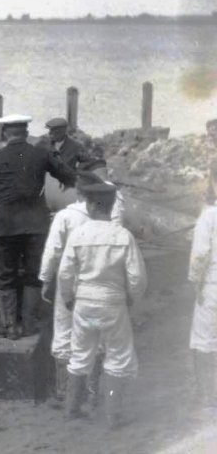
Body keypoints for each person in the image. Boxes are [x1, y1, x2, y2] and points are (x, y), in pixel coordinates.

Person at [0, 114, 76, 340]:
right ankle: (29, 323)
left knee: (6, 275)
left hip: (6, 225)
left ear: (6, 133)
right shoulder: (41, 153)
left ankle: (10, 326)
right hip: (36, 225)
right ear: (26, 132)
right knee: (33, 274)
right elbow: (69, 177)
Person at [58, 183, 147, 428]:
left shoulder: (79, 234)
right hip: (113, 302)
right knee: (118, 356)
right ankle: (112, 414)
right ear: (109, 206)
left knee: (80, 355)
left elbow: (65, 273)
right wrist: (131, 299)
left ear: (91, 205)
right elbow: (137, 277)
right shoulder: (122, 236)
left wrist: (67, 297)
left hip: (84, 301)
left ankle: (72, 408)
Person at [38, 172, 99, 400]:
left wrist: (45, 280)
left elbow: (52, 251)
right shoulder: (103, 218)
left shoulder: (65, 216)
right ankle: (92, 389)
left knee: (64, 333)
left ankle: (65, 391)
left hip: (69, 281)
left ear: (77, 192)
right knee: (93, 334)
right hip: (94, 281)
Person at [187, 167, 217, 410]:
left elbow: (200, 255)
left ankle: (207, 399)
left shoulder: (208, 217)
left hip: (213, 286)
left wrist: (195, 284)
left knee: (203, 342)